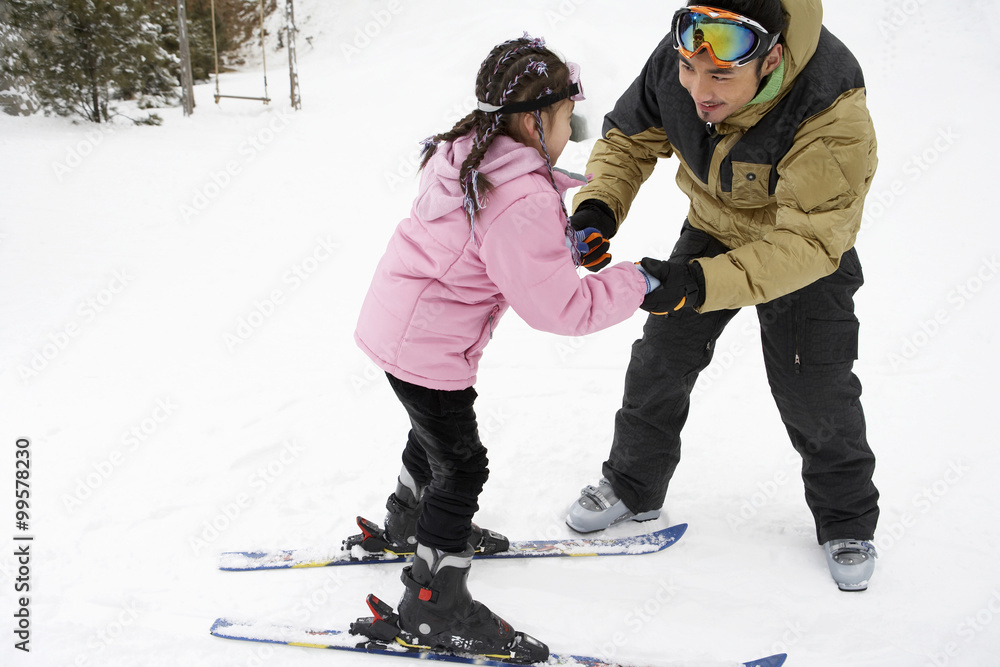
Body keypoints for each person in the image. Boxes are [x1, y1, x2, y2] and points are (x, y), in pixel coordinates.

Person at [351, 35, 660, 661]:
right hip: (428, 342)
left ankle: (413, 521)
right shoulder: (520, 197)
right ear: (532, 119)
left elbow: (488, 244)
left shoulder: (472, 152)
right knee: (462, 466)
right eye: (568, 119)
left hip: (401, 327)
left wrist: (558, 246)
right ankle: (433, 604)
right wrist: (640, 281)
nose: (572, 132)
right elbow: (562, 310)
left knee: (432, 431)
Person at [564, 0, 881, 592]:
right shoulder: (688, 53)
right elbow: (629, 140)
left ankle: (847, 520)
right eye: (688, 70)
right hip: (713, 225)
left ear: (772, 61)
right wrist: (597, 205)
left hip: (804, 252)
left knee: (813, 384)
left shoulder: (830, 108)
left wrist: (699, 284)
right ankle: (633, 487)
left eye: (720, 77)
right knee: (662, 355)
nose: (698, 89)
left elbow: (810, 239)